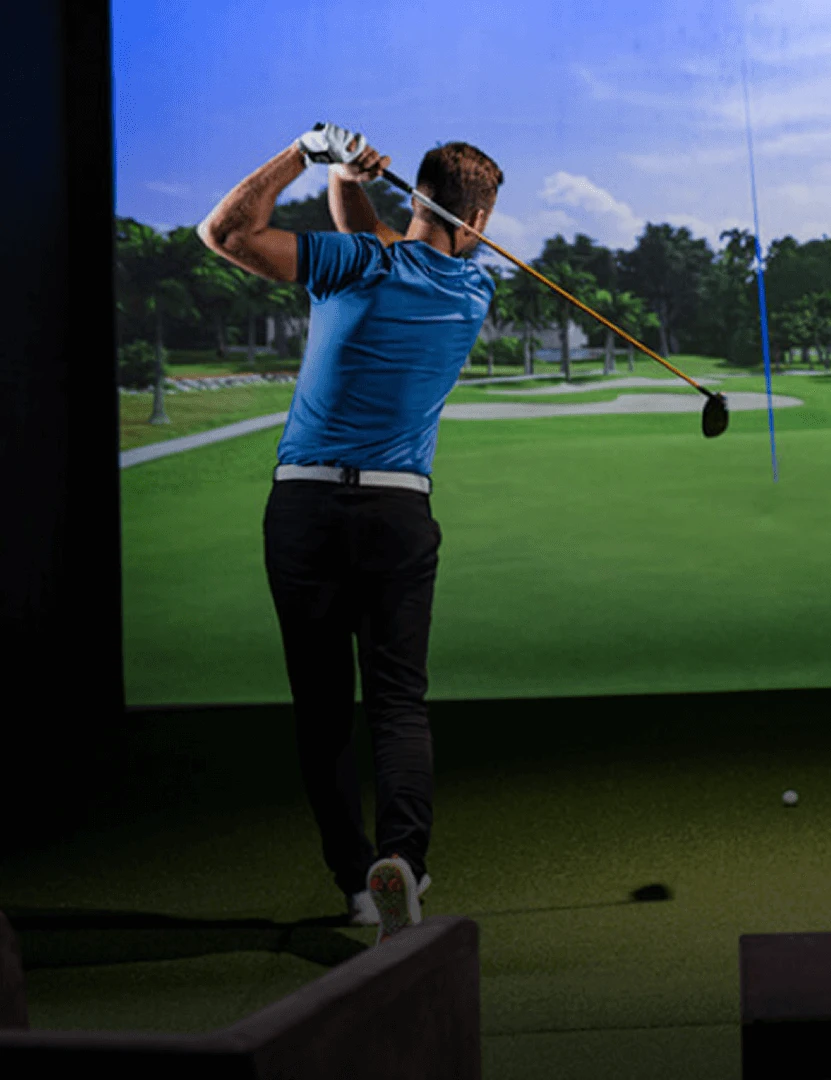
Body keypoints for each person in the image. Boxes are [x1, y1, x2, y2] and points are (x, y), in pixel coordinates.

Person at [197, 124, 502, 943]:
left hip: (304, 512)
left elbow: (224, 234)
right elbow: (374, 237)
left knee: (324, 714)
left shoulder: (361, 264)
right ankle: (403, 858)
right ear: (473, 224)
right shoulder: (473, 291)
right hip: (398, 516)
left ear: (418, 198)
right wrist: (342, 173)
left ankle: (355, 887)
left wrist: (309, 154)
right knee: (398, 703)